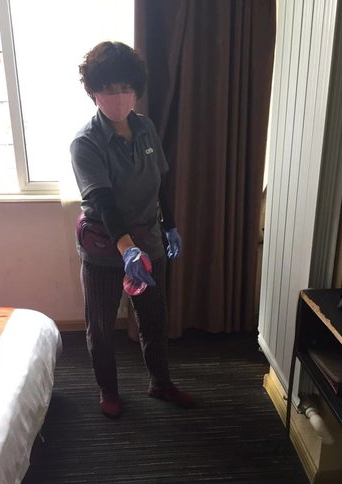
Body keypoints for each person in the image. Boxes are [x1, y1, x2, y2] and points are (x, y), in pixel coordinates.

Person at [70, 41, 195, 418]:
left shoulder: (145, 128)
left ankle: (161, 383)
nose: (119, 96)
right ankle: (108, 391)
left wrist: (169, 226)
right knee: (101, 326)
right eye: (109, 89)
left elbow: (161, 182)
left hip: (148, 238)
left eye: (126, 88)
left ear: (136, 89)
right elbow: (104, 202)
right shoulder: (85, 143)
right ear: (94, 92)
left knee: (154, 319)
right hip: (105, 246)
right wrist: (127, 250)